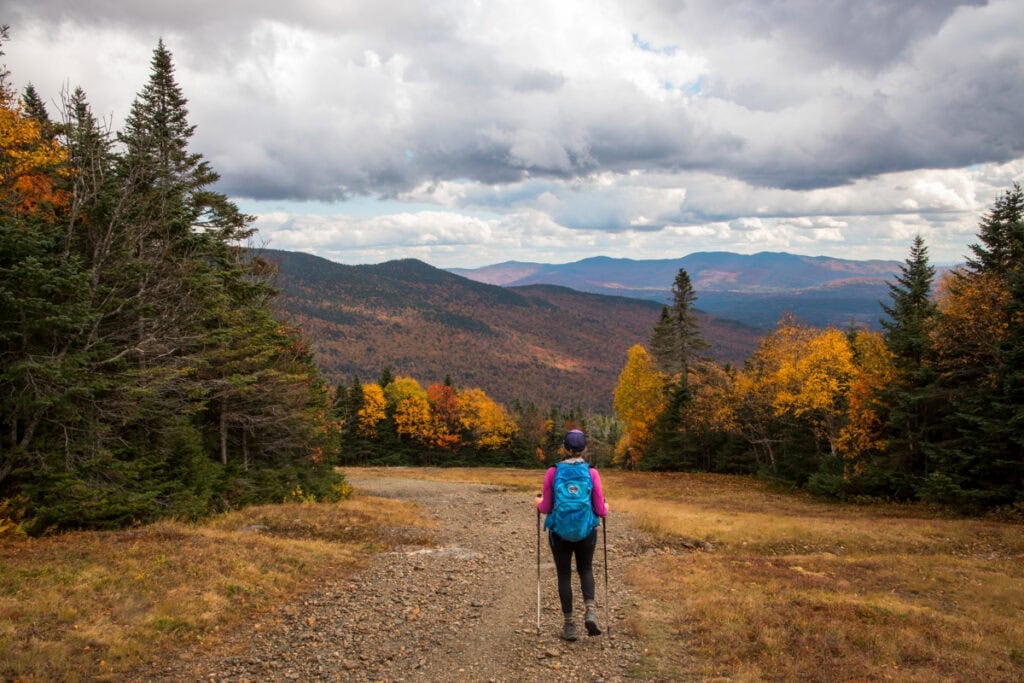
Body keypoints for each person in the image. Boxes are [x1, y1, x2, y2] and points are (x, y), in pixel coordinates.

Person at [536, 429, 609, 641]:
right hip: (586, 532)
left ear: (565, 449)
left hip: (559, 533)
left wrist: (538, 503)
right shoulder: (591, 473)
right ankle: (590, 611)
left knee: (564, 574)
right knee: (585, 569)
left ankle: (569, 625)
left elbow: (546, 507)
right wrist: (605, 507)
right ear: (584, 449)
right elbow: (600, 510)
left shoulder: (553, 472)